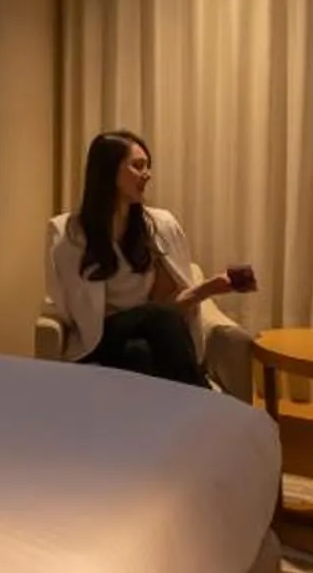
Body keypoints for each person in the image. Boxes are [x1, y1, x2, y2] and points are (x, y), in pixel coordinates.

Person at [46, 131, 255, 386]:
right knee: (157, 319)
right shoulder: (73, 235)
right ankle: (201, 397)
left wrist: (213, 286)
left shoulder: (157, 227)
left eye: (148, 166)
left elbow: (169, 309)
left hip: (144, 335)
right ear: (109, 171)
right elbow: (74, 312)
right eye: (137, 166)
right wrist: (141, 315)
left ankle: (160, 419)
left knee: (139, 353)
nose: (147, 174)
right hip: (100, 336)